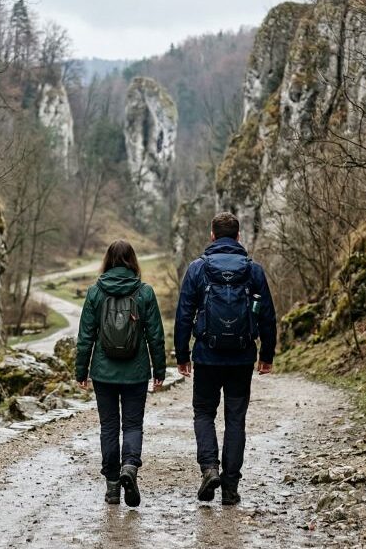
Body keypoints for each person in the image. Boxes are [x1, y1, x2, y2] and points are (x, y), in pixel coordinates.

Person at [174, 212, 277, 505]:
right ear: (239, 237)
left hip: (206, 355)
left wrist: (183, 355)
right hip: (242, 357)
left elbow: (183, 315)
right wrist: (266, 354)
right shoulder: (253, 270)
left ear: (212, 235)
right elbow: (268, 315)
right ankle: (230, 488)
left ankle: (209, 468)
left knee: (204, 413)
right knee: (235, 419)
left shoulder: (197, 269)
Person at [76, 240, 167, 507]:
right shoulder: (144, 292)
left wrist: (81, 370)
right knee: (133, 425)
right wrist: (159, 370)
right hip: (136, 372)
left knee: (109, 427)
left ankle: (113, 487)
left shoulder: (95, 292)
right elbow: (156, 336)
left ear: (107, 261)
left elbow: (85, 337)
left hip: (104, 373)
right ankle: (130, 466)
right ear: (133, 261)